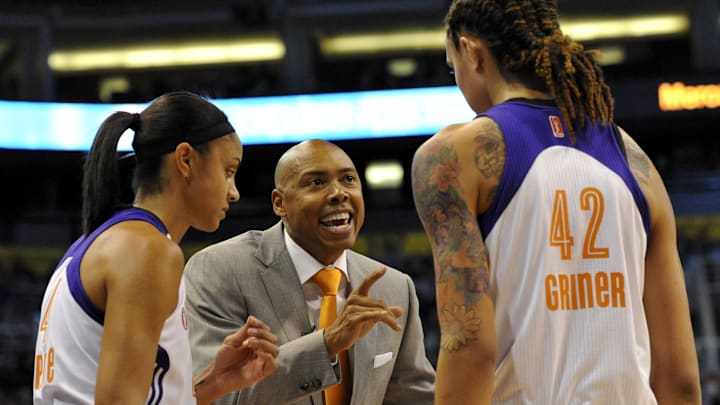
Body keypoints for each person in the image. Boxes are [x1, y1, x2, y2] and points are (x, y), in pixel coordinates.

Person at [410, 1, 702, 404]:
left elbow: (471, 344)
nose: (456, 79)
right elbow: (680, 378)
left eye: (451, 65)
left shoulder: (452, 154)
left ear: (472, 52)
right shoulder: (634, 159)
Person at [33, 91, 279, 405]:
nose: (234, 193)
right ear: (186, 159)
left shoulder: (102, 241)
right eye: (228, 172)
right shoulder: (147, 251)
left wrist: (215, 381)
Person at [184, 139, 436, 405]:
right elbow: (216, 397)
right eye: (316, 183)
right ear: (280, 204)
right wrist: (326, 344)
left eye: (348, 179)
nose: (339, 193)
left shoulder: (394, 287)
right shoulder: (219, 270)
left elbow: (414, 397)